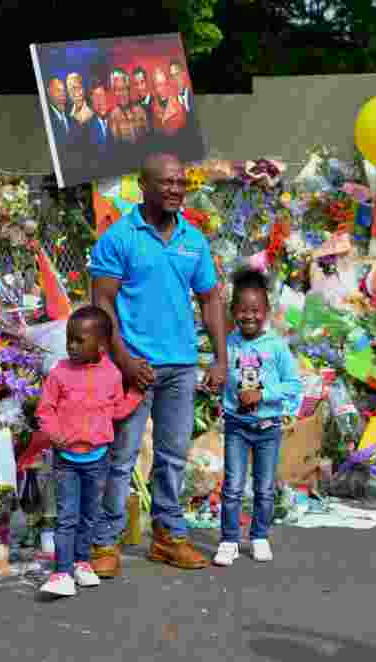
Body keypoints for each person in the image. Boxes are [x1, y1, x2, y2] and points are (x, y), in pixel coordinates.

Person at [89, 152, 227, 575]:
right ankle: (103, 542)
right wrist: (125, 359)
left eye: (181, 183)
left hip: (181, 366)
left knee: (172, 457)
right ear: (144, 186)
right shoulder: (119, 237)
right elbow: (102, 301)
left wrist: (221, 358)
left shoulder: (193, 239)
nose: (174, 190)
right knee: (123, 456)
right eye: (166, 182)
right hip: (134, 368)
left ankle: (168, 537)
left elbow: (210, 299)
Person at [36, 306, 143, 597]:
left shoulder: (111, 374)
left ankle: (82, 563)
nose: (71, 345)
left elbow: (117, 410)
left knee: (89, 514)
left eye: (79, 340)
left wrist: (136, 394)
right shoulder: (59, 373)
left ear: (102, 345)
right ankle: (61, 571)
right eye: (69, 338)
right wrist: (56, 437)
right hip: (66, 459)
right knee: (67, 516)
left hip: (97, 458)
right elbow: (45, 410)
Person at [213, 268, 302, 567]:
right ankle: (229, 540)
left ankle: (260, 535)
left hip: (267, 428)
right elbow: (221, 373)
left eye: (255, 310)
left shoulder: (276, 346)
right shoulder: (229, 343)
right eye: (241, 310)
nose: (248, 316)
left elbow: (293, 385)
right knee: (233, 485)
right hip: (237, 426)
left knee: (264, 487)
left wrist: (262, 394)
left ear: (266, 311)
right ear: (232, 311)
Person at [151, 67, 186, 137]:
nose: (164, 88)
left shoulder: (178, 105)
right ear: (154, 87)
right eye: (160, 85)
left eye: (165, 83)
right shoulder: (153, 107)